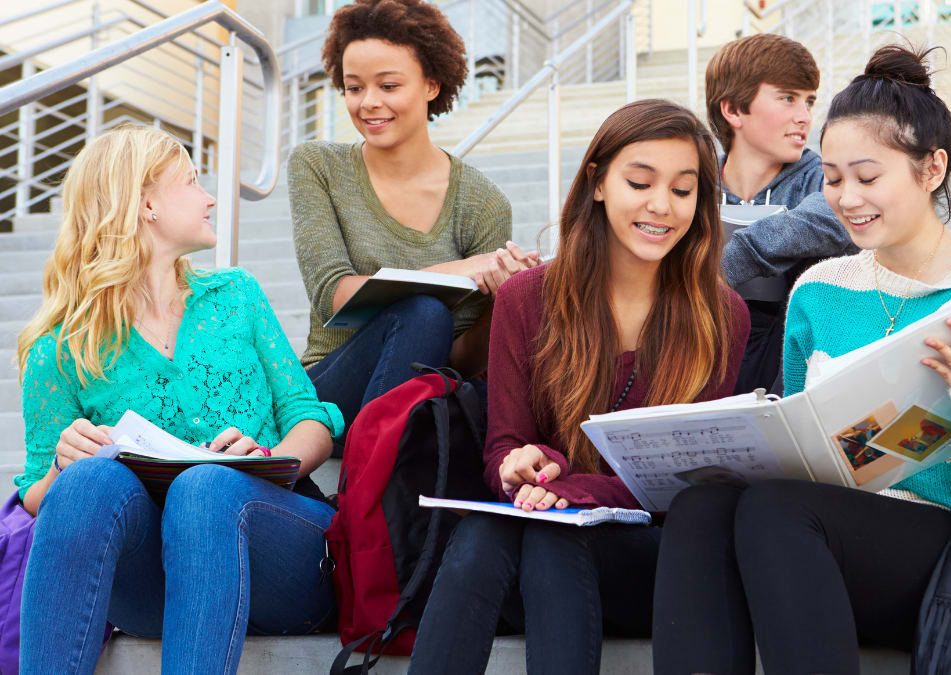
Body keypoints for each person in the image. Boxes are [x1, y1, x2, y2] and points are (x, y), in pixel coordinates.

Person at [653, 45, 951, 674]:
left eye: (867, 176)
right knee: (702, 509)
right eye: (830, 177)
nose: (846, 198)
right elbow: (809, 445)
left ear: (932, 169)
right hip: (836, 535)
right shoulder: (819, 290)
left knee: (778, 511)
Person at [406, 99, 750, 675]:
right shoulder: (527, 299)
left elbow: (686, 485)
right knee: (502, 526)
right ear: (596, 183)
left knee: (541, 532)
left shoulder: (722, 315)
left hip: (655, 567)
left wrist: (575, 488)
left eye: (684, 190)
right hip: (536, 551)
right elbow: (501, 449)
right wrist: (521, 466)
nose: (661, 206)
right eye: (639, 182)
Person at [14, 125, 344, 673]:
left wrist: (267, 460)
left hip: (280, 562)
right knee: (89, 480)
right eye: (192, 182)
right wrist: (60, 463)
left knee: (206, 486)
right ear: (146, 204)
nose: (210, 196)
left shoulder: (237, 297)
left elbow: (309, 417)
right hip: (156, 588)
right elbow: (35, 496)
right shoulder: (59, 349)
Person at [290, 0, 535, 452]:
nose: (368, 103)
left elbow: (459, 358)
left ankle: (378, 477)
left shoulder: (481, 202)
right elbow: (332, 296)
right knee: (423, 310)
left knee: (430, 319)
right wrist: (458, 272)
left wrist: (502, 300)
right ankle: (368, 481)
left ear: (431, 84)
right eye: (353, 87)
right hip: (327, 395)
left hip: (416, 399)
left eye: (388, 85)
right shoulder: (317, 167)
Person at [707, 33, 856, 393]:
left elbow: (830, 216)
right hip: (701, 349)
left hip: (789, 363)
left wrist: (718, 266)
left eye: (808, 102)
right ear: (733, 110)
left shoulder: (823, 176)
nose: (804, 116)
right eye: (788, 99)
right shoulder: (694, 182)